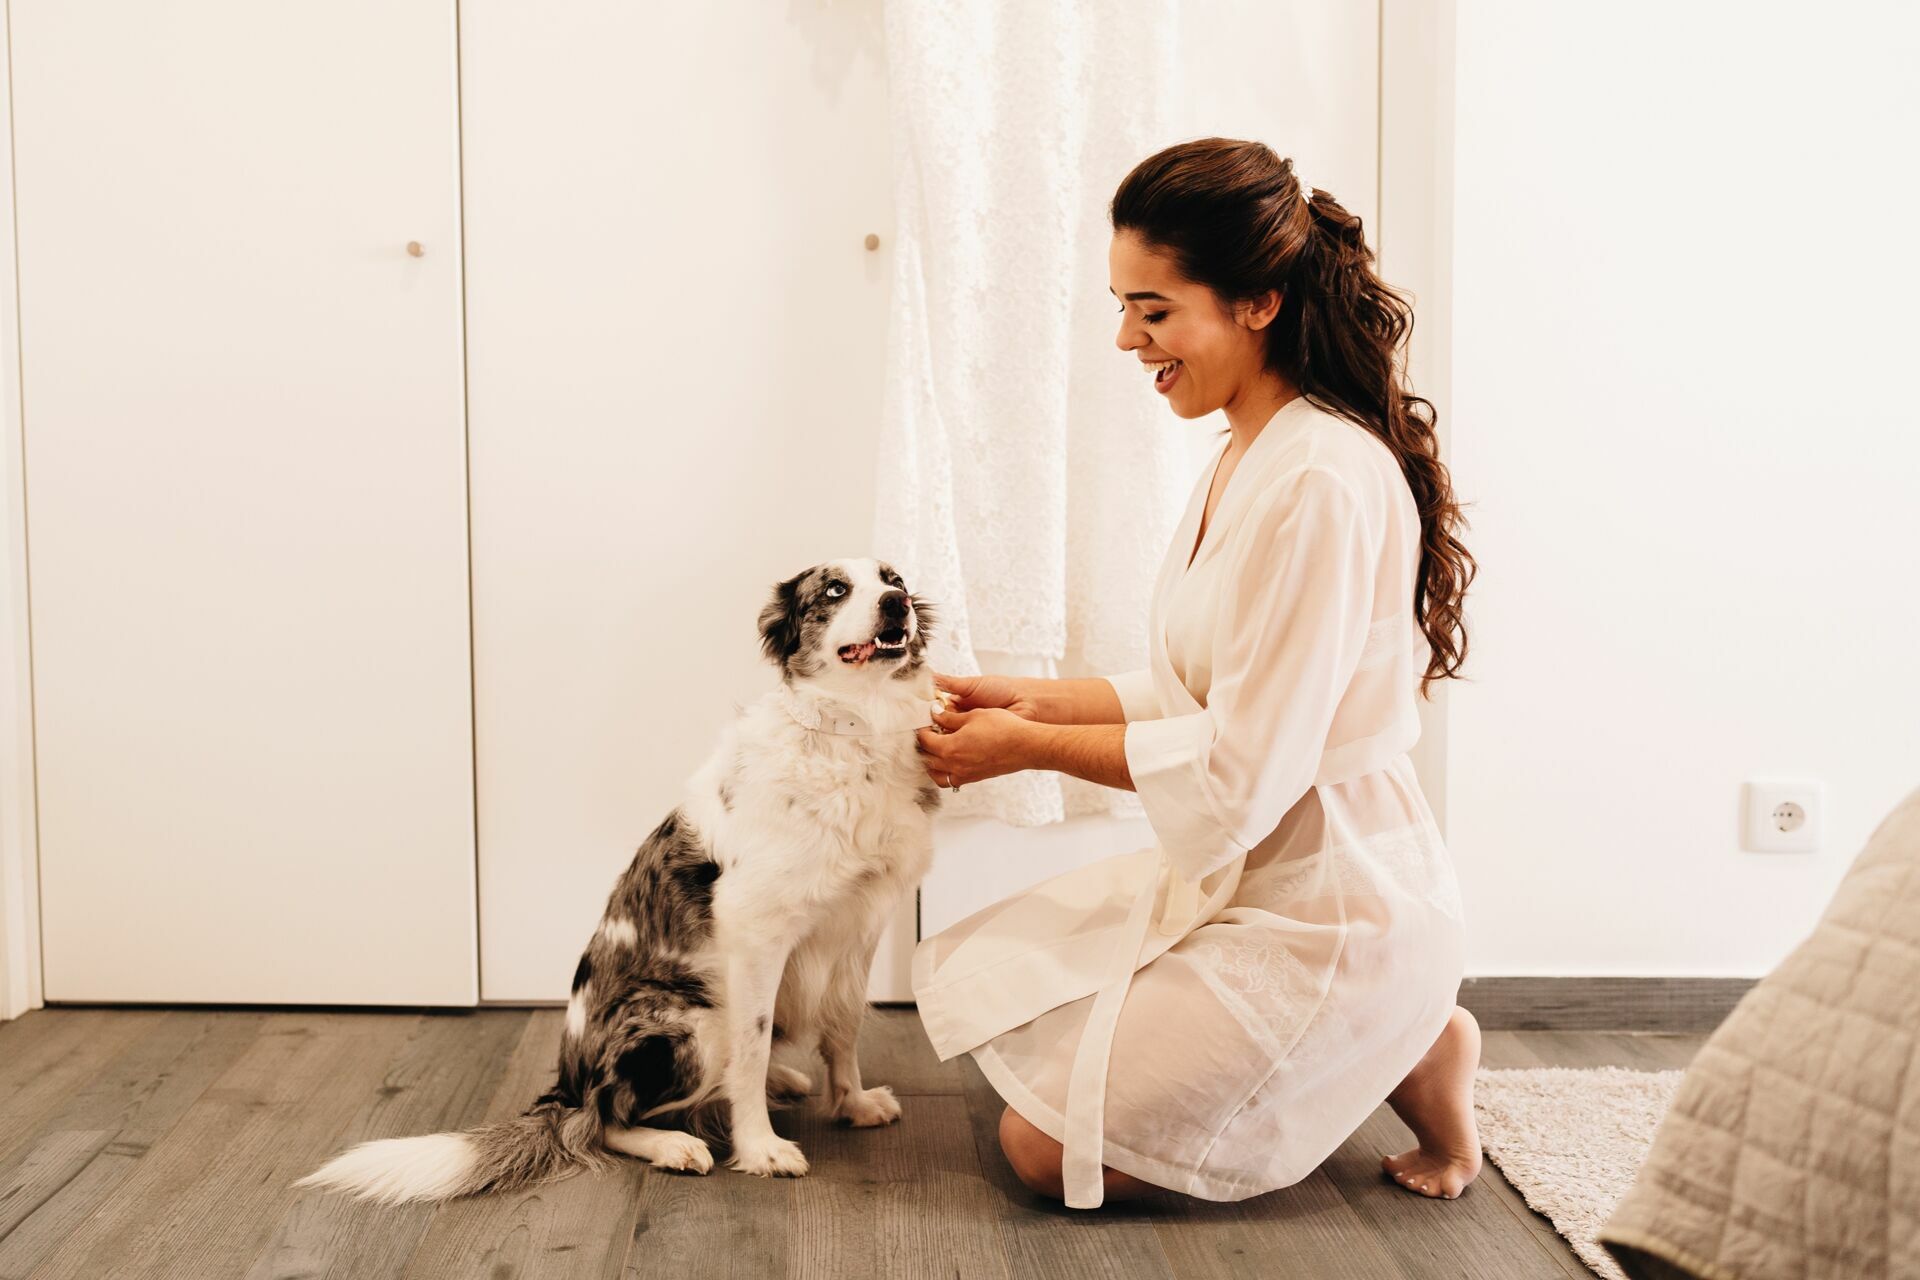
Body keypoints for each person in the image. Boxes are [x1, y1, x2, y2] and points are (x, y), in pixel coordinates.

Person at [911, 138, 1481, 1209]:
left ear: (1257, 304)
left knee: (1046, 1148)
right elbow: (1198, 691)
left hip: (1339, 902)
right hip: (1260, 874)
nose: (1128, 337)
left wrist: (1022, 750)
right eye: (1124, 306)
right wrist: (1021, 699)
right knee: (1015, 1010)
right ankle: (1407, 1037)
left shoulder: (1318, 480)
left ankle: (1405, 1025)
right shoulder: (1248, 447)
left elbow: (1236, 770)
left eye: (1154, 310)